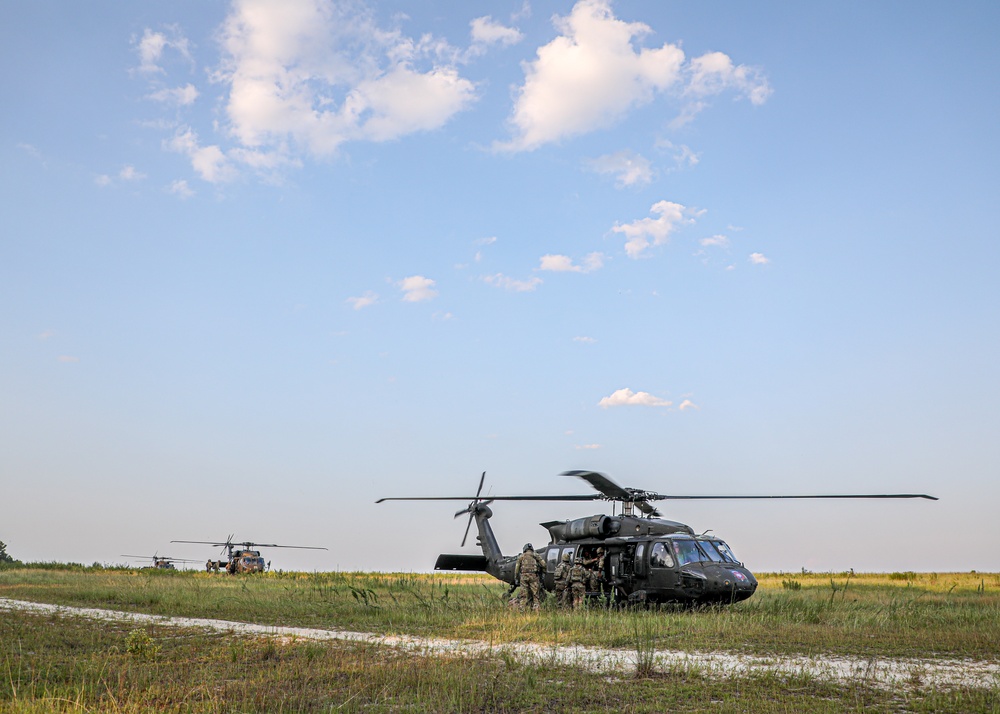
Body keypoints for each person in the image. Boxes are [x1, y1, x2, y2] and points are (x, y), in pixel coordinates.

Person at [514, 543, 547, 611]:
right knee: (536, 595)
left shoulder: (521, 556)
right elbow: (544, 565)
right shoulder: (535, 555)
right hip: (534, 577)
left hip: (524, 577)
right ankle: (536, 610)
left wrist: (516, 578)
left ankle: (522, 610)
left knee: (523, 595)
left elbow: (517, 569)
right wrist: (543, 574)